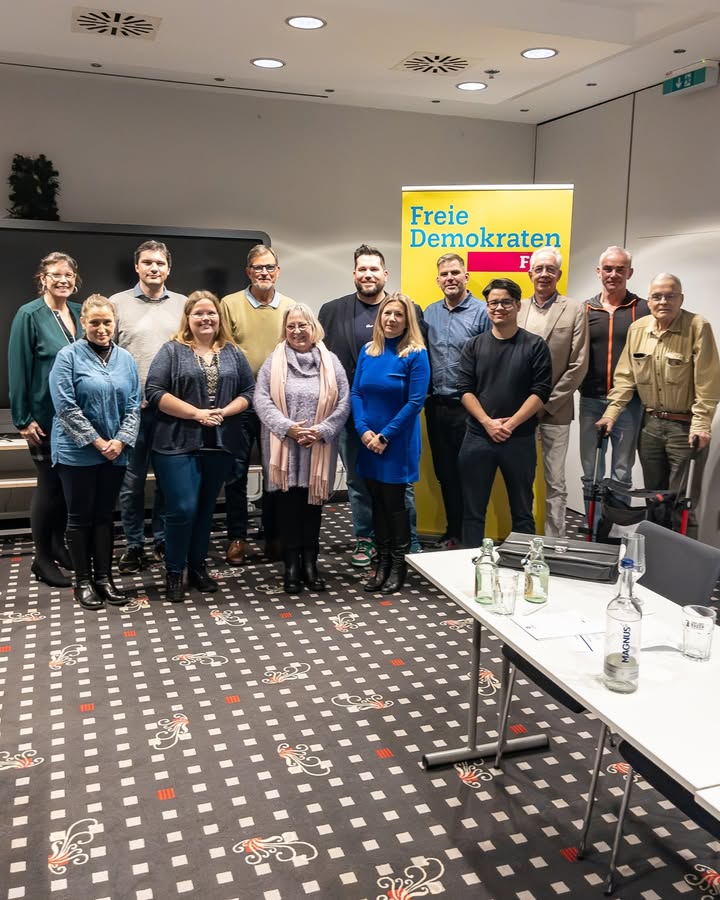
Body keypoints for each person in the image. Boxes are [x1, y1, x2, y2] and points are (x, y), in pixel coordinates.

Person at [319, 244, 424, 569]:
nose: (368, 274)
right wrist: (361, 425)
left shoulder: (408, 309)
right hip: (353, 417)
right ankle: (366, 538)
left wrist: (388, 431)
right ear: (354, 274)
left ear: (385, 274)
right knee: (358, 481)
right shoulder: (331, 311)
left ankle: (407, 539)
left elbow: (418, 378)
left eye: (374, 269)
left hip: (396, 423)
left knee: (399, 485)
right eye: (362, 269)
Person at [145, 291, 255, 601]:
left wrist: (224, 412)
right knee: (182, 508)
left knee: (206, 509)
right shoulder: (172, 350)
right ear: (188, 318)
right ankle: (174, 570)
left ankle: (197, 567)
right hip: (176, 442)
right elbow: (154, 391)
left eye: (211, 313)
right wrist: (196, 414)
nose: (206, 318)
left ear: (219, 317)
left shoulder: (233, 352)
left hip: (220, 443)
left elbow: (249, 390)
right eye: (199, 314)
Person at [597, 273, 720, 537]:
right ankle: (655, 554)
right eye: (657, 296)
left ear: (681, 299)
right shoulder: (638, 329)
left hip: (685, 429)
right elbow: (625, 377)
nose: (663, 301)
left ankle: (685, 558)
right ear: (649, 301)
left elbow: (708, 382)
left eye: (670, 296)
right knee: (655, 500)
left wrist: (701, 424)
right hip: (650, 427)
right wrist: (610, 414)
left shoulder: (697, 326)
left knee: (683, 503)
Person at [48, 295, 140, 610]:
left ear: (115, 324)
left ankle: (104, 579)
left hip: (116, 451)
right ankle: (83, 582)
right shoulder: (68, 357)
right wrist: (98, 442)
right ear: (84, 323)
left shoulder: (125, 358)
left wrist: (121, 441)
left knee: (104, 516)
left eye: (107, 322)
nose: (102, 329)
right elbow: (65, 407)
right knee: (79, 517)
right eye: (95, 322)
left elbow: (134, 405)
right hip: (77, 452)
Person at [254, 304, 350, 593]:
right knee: (287, 509)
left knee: (312, 509)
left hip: (318, 448)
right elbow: (261, 399)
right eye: (291, 326)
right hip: (284, 446)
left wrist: (322, 430)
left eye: (302, 325)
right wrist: (288, 428)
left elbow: (344, 401)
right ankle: (291, 566)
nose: (296, 331)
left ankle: (310, 564)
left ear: (313, 327)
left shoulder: (331, 362)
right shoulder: (274, 361)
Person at [458, 278, 553, 547]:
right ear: (487, 307)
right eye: (493, 303)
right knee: (472, 511)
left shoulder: (535, 345)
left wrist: (509, 425)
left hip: (519, 439)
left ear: (518, 305)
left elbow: (541, 391)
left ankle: (524, 564)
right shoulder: (473, 345)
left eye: (506, 302)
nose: (499, 308)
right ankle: (469, 563)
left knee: (522, 511)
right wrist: (487, 423)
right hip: (477, 437)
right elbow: (464, 389)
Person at [110, 241, 186, 574]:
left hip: (171, 410)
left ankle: (162, 539)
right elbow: (105, 353)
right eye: (147, 263)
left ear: (168, 269)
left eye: (160, 263)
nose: (154, 268)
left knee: (168, 481)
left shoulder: (183, 304)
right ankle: (134, 544)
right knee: (131, 483)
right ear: (137, 267)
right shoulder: (116, 304)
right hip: (131, 410)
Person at [8, 251, 83, 587]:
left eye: (68, 275)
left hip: (77, 419)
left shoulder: (80, 312)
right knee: (49, 486)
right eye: (56, 274)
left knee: (67, 487)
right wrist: (23, 419)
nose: (63, 280)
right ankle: (41, 558)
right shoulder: (29, 315)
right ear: (43, 278)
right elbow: (18, 369)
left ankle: (57, 546)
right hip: (43, 418)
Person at [351, 293, 430, 594]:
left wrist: (385, 435)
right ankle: (382, 562)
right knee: (376, 504)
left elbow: (415, 402)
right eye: (387, 313)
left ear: (407, 320)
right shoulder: (368, 350)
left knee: (395, 506)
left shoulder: (416, 354)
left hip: (396, 442)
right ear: (379, 317)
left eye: (398, 314)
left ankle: (398, 565)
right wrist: (363, 431)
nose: (392, 319)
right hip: (368, 440)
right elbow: (357, 393)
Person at [221, 245, 295, 565]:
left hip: (277, 403)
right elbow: (224, 351)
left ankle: (273, 534)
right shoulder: (229, 304)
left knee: (275, 472)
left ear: (277, 271)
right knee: (235, 472)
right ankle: (237, 536)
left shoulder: (291, 307)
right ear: (248, 271)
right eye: (257, 267)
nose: (264, 273)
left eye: (269, 267)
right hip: (240, 402)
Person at [518, 247, 588, 537]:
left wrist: (545, 404)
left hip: (555, 411)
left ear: (559, 274)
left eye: (550, 269)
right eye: (539, 269)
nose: (544, 274)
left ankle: (555, 541)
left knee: (555, 482)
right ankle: (523, 537)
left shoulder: (575, 309)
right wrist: (525, 408)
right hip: (519, 412)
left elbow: (578, 364)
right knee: (520, 479)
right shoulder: (517, 307)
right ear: (530, 273)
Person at [424, 252, 490, 549]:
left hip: (469, 409)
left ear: (466, 276)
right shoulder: (429, 313)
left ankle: (471, 538)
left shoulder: (482, 312)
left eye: (455, 272)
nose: (450, 278)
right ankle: (453, 533)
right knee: (446, 474)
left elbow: (490, 359)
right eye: (444, 274)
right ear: (438, 280)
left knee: (471, 475)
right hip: (436, 407)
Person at [580, 247, 649, 518]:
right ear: (599, 272)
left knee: (621, 473)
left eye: (620, 269)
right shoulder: (585, 309)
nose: (613, 274)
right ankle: (593, 528)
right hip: (590, 400)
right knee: (591, 472)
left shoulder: (643, 309)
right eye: (608, 269)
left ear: (629, 273)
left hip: (629, 404)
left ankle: (617, 531)